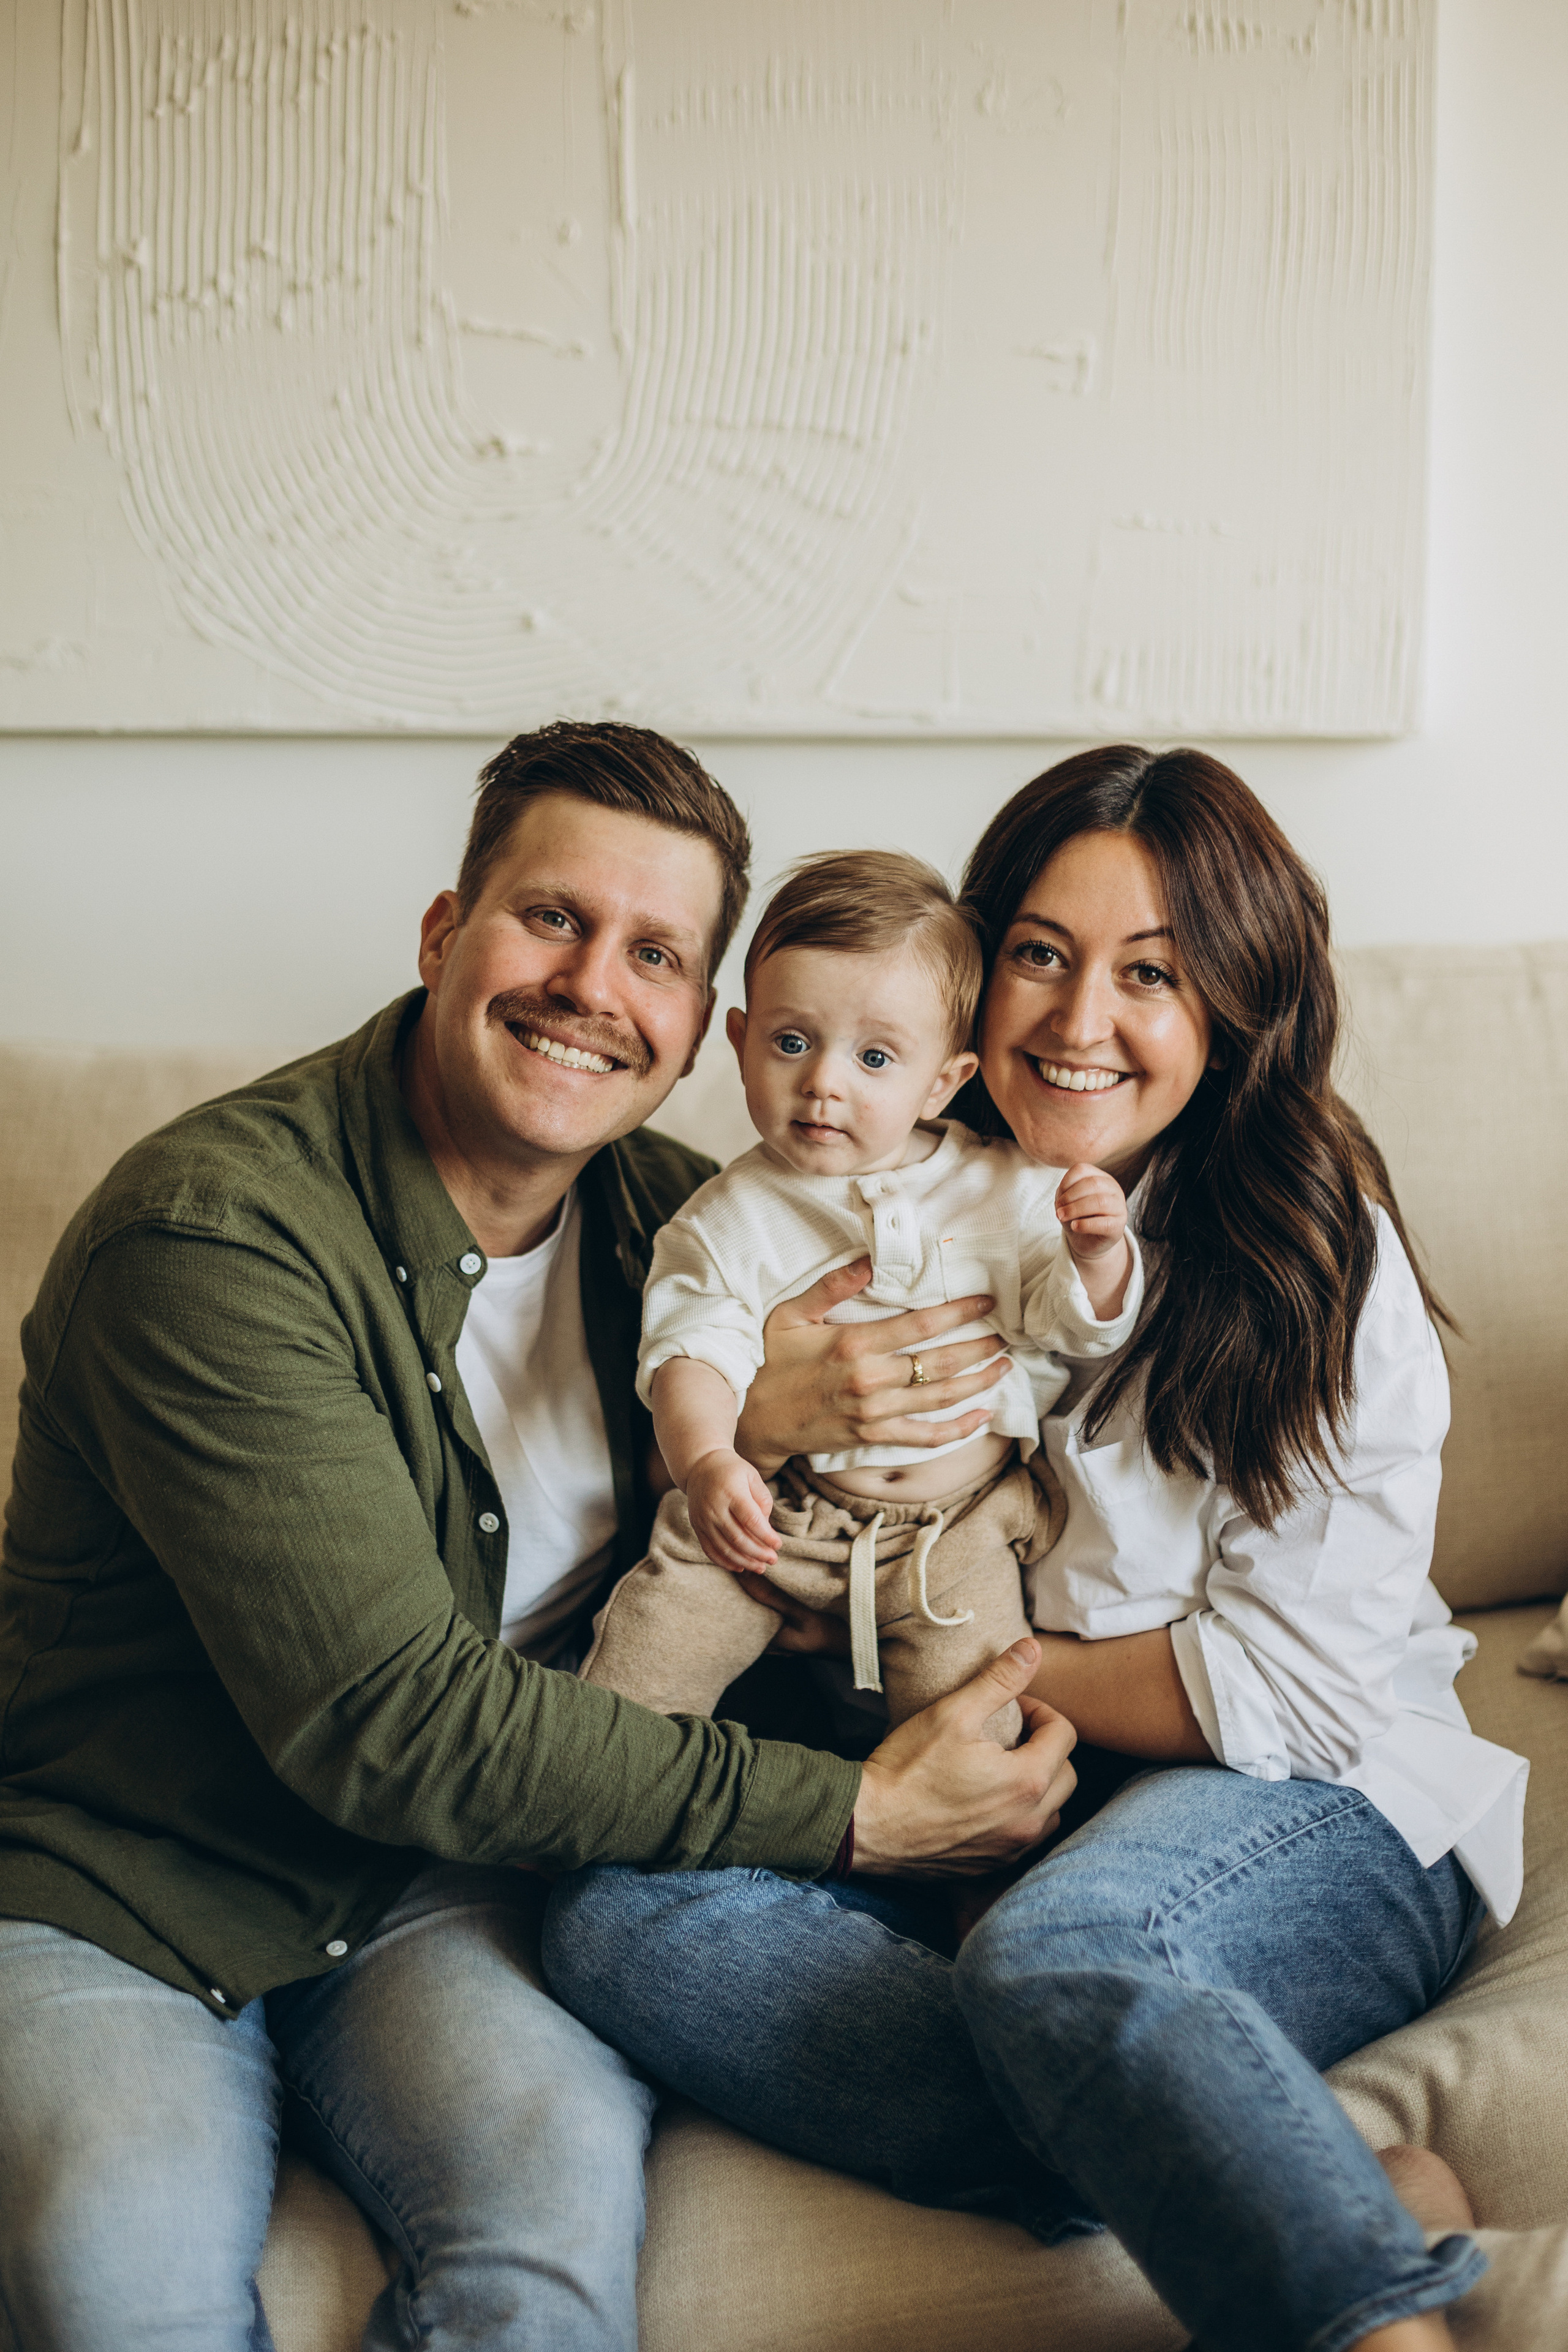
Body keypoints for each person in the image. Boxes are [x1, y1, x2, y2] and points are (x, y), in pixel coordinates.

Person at [0, 722, 1079, 2352]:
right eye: (551, 919)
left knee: (553, 2257)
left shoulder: (669, 1214)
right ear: (445, 932)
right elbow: (395, 1725)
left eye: (654, 952)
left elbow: (739, 1563)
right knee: (122, 2294)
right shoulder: (213, 1241)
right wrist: (861, 1812)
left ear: (699, 1023)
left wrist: (798, 1508)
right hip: (136, 1881)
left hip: (449, 1887)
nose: (594, 987)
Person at [542, 744, 1531, 2352]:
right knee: (612, 1917)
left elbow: (1295, 1681)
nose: (1081, 1022)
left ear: (1234, 1004)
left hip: (1315, 1803)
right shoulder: (878, 1196)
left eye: (1152, 974)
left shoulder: (1306, 1241)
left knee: (1065, 1949)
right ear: (964, 985)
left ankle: (1365, 2317)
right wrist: (775, 1460)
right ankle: (1289, 2156)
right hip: (1006, 1799)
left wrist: (944, 1696)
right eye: (1042, 958)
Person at [581, 848, 1140, 1746]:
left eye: (875, 1056)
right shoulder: (731, 1215)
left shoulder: (1007, 1185)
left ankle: (972, 1872)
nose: (824, 1081)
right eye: (792, 1042)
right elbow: (693, 1349)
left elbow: (1067, 1323)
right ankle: (580, 1789)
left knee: (975, 1721)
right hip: (782, 1514)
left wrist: (1098, 1252)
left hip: (956, 1533)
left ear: (945, 1080)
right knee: (661, 1632)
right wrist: (709, 1464)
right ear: (739, 1039)